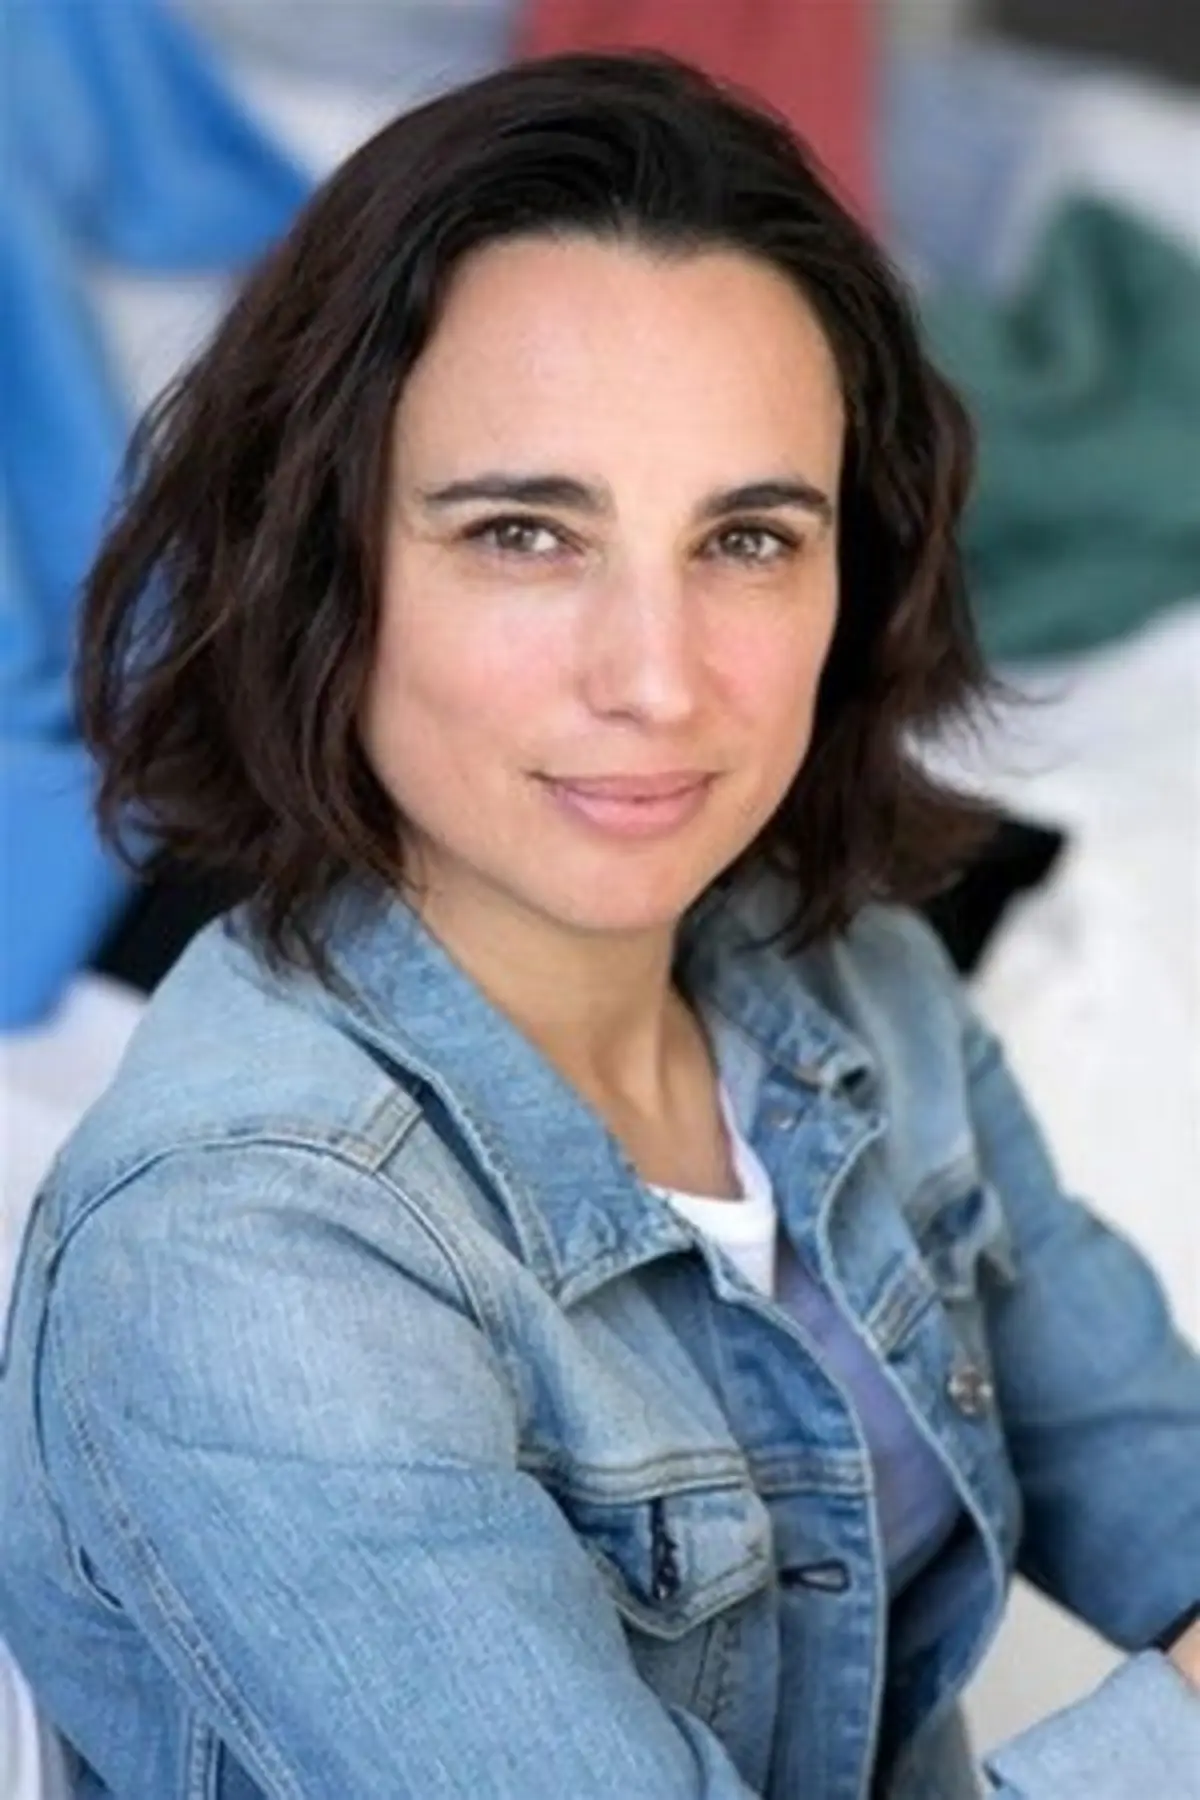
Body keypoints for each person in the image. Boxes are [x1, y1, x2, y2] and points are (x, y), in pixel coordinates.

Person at [0, 50, 1196, 1800]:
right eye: (524, 533)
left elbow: (1147, 1460)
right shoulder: (238, 1258)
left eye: (750, 540)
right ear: (328, 567)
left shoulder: (850, 978)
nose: (659, 682)